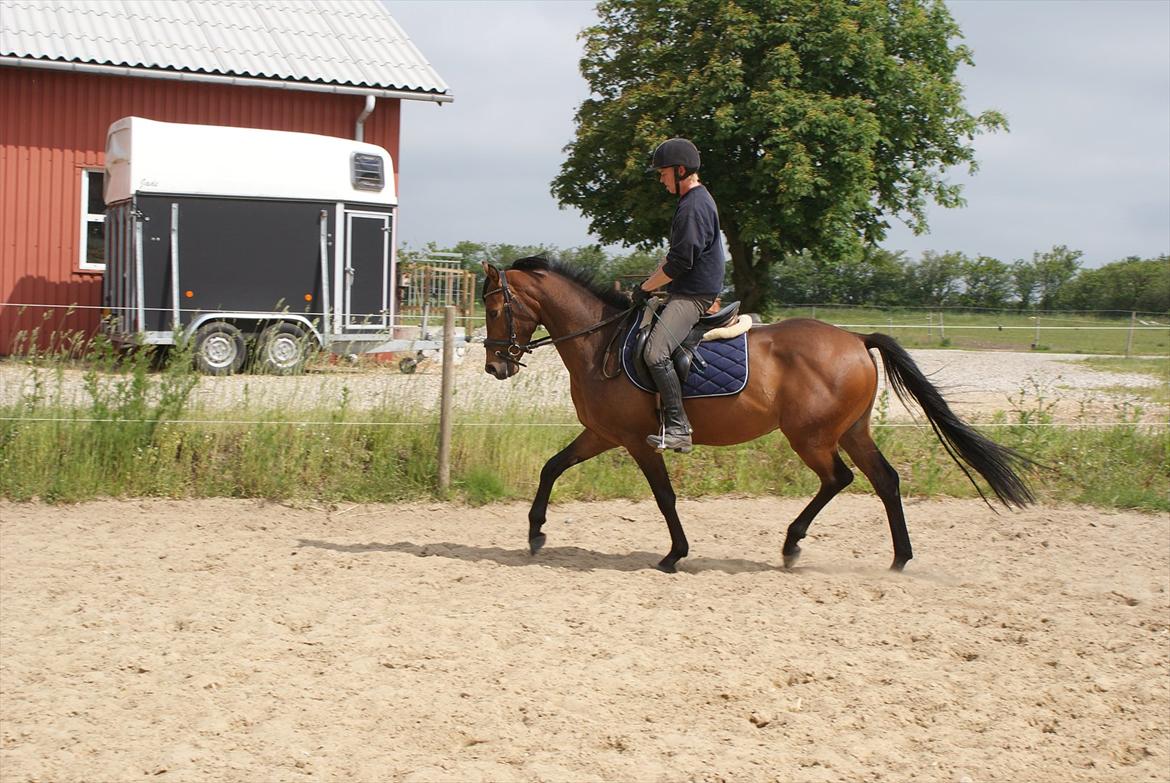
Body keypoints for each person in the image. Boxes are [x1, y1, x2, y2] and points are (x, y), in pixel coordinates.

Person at [635, 137, 726, 453]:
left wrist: (646, 288)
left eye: (663, 173)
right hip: (686, 290)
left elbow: (679, 262)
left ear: (680, 170)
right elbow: (674, 258)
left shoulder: (694, 206)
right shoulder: (692, 203)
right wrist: (650, 283)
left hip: (693, 296)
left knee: (655, 351)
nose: (661, 180)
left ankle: (678, 428)